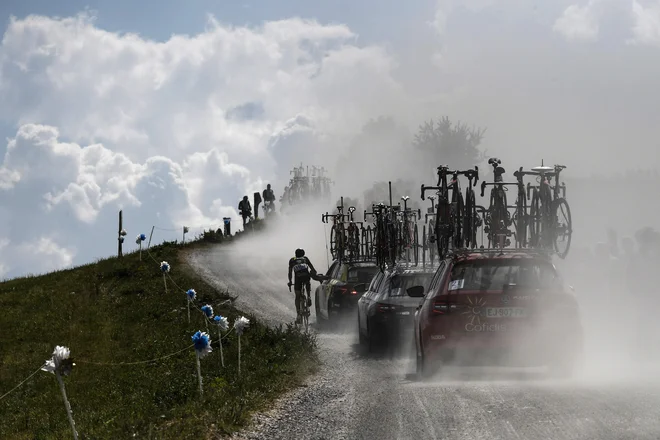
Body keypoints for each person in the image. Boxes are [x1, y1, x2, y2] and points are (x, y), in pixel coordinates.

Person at [288, 248, 317, 324]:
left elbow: (290, 272)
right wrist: (314, 274)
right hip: (306, 276)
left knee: (297, 296)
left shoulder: (292, 260)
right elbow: (312, 269)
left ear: (295, 254)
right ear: (303, 254)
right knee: (307, 282)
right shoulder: (305, 259)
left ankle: (298, 315)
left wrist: (290, 281)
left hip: (298, 278)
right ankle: (309, 297)